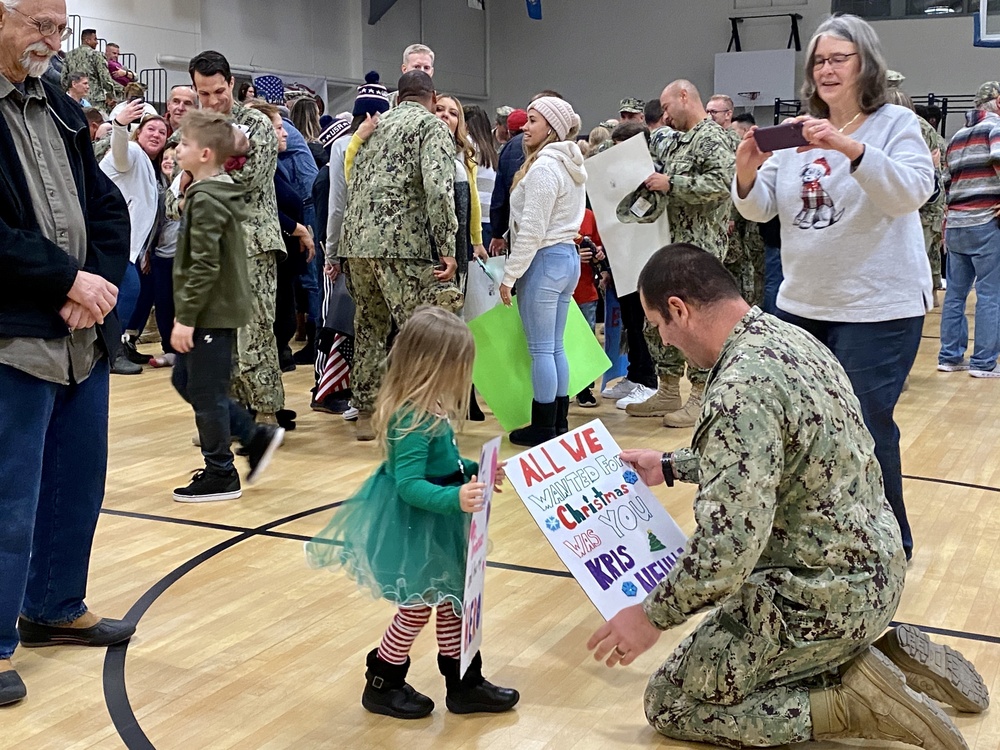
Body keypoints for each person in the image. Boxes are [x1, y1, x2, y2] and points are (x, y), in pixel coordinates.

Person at [588, 243, 987, 750]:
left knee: (672, 702)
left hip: (817, 595)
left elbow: (724, 555)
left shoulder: (738, 387)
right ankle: (862, 650)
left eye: (658, 325)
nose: (663, 339)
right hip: (874, 570)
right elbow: (783, 455)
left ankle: (846, 700)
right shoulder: (790, 340)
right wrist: (670, 465)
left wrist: (647, 617)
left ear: (679, 309)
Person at [733, 13, 934, 561]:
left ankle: (890, 546)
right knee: (806, 429)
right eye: (818, 60)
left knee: (867, 425)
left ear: (864, 64)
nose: (826, 69)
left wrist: (848, 149)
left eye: (837, 58)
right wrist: (748, 169)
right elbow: (759, 208)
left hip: (879, 307)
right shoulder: (796, 134)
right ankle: (822, 536)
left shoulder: (894, 123)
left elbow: (911, 191)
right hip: (803, 305)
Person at [0, 0, 134, 706]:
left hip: (82, 333)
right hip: (14, 334)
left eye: (60, 26)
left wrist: (99, 283)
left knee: (78, 482)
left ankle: (53, 606)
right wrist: (62, 279)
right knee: (6, 500)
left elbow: (107, 206)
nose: (53, 41)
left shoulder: (54, 102)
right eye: (38, 26)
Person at [305, 306, 518, 719]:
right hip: (419, 524)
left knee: (453, 602)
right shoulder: (412, 418)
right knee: (419, 606)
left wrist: (479, 470)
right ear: (433, 365)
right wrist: (455, 499)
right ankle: (383, 681)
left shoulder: (432, 406)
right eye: (459, 366)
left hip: (439, 520)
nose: (464, 375)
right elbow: (409, 485)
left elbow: (444, 465)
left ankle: (463, 683)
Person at [169, 110, 285, 502]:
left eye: (183, 143)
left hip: (210, 313)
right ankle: (255, 438)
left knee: (205, 390)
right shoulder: (211, 191)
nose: (176, 147)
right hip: (210, 310)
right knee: (187, 381)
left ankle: (221, 471)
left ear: (204, 154)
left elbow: (203, 264)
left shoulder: (207, 198)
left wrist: (186, 317)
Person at [340, 70, 461, 441]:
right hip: (402, 243)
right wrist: (447, 246)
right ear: (432, 95)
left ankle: (365, 411)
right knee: (420, 329)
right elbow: (438, 190)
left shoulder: (373, 125)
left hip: (358, 241)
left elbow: (352, 177)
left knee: (369, 326)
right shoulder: (431, 127)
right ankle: (421, 415)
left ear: (398, 96)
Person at [173, 50, 286, 424]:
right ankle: (229, 415)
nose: (211, 100)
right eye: (203, 93)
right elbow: (175, 192)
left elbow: (248, 180)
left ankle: (267, 408)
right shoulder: (196, 129)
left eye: (218, 91)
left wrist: (198, 180)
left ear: (231, 84)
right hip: (209, 243)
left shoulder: (254, 123)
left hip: (252, 240)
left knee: (256, 327)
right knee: (217, 335)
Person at [620, 79, 735, 427]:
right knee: (660, 319)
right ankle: (668, 388)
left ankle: (701, 395)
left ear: (686, 97)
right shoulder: (674, 140)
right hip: (666, 244)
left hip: (700, 250)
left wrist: (673, 185)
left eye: (668, 107)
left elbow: (721, 184)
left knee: (697, 320)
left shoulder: (712, 137)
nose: (664, 115)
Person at [498, 96, 587, 446]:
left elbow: (533, 229)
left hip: (545, 259)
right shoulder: (571, 164)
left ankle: (543, 425)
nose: (524, 126)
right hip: (568, 258)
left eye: (532, 120)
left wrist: (509, 276)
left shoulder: (546, 168)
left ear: (551, 127)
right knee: (554, 347)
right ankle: (559, 421)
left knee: (540, 349)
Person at [100, 101, 168, 373]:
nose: (156, 135)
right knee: (128, 291)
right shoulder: (132, 152)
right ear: (138, 133)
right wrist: (119, 126)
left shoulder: (149, 167)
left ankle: (118, 347)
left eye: (162, 132)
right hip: (110, 240)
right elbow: (119, 153)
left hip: (128, 245)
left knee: (132, 291)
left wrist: (144, 251)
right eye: (150, 129)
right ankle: (110, 352)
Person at [938, 81, 1000, 378]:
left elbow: (947, 182)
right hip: (987, 223)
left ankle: (949, 357)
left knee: (956, 296)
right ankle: (984, 363)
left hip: (957, 225)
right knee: (990, 295)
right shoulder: (996, 128)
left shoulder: (957, 136)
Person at [60, 27, 119, 110]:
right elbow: (105, 78)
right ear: (87, 40)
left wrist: (71, 92)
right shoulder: (96, 55)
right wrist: (111, 96)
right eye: (95, 39)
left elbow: (63, 79)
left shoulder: (69, 55)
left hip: (75, 98)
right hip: (95, 99)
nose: (97, 42)